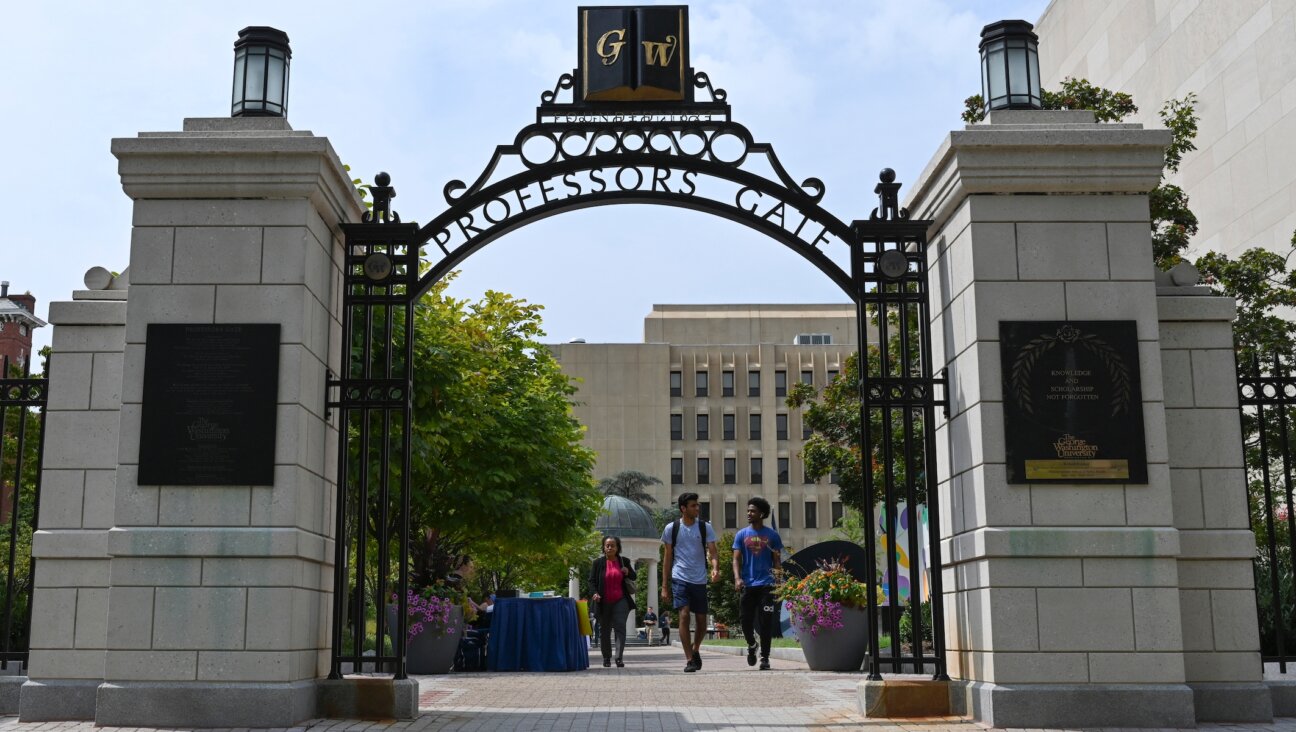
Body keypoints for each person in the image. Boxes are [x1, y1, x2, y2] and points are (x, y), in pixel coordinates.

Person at [661, 492, 719, 672]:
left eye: (697, 505)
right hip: (680, 577)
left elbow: (713, 552)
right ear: (683, 509)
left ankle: (696, 649)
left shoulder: (705, 527)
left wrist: (715, 568)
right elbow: (667, 557)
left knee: (702, 621)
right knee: (684, 615)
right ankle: (689, 660)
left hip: (699, 578)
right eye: (693, 505)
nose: (697, 508)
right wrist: (664, 586)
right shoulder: (672, 528)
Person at [733, 497, 784, 670]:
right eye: (748, 511)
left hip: (767, 585)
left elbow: (777, 561)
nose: (749, 513)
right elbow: (736, 560)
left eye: (752, 511)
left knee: (766, 621)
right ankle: (752, 645)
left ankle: (765, 657)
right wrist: (737, 578)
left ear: (761, 514)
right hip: (748, 584)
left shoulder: (772, 535)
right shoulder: (741, 534)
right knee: (745, 620)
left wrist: (778, 584)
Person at [588, 534, 637, 668]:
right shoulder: (598, 563)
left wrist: (627, 571)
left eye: (612, 545)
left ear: (617, 547)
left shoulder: (624, 561)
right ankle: (606, 658)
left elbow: (634, 576)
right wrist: (595, 593)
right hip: (603, 602)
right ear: (604, 548)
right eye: (607, 545)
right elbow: (591, 582)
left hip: (621, 600)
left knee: (620, 628)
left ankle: (619, 658)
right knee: (605, 630)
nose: (610, 548)